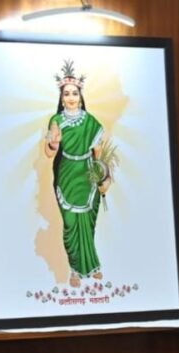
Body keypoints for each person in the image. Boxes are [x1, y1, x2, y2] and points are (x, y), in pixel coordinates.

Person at [42, 59, 112, 288]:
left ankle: (93, 266)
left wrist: (102, 174)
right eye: (66, 94)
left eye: (74, 93)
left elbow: (98, 151)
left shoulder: (90, 121)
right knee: (71, 224)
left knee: (88, 224)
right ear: (61, 98)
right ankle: (74, 270)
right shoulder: (56, 121)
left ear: (81, 96)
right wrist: (53, 143)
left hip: (87, 175)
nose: (71, 97)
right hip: (66, 176)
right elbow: (49, 153)